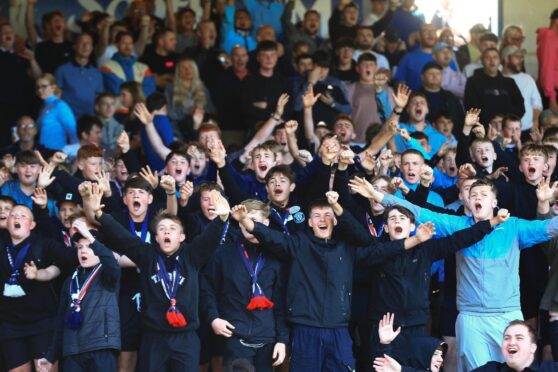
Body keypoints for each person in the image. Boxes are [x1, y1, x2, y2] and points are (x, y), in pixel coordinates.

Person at [355, 178, 558, 371]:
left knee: (518, 368)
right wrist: (379, 196)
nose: (477, 198)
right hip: (471, 317)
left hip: (507, 314)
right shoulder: (458, 224)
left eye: (483, 194)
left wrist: (544, 202)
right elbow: (418, 212)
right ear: (467, 200)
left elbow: (549, 227)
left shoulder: (514, 227)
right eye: (473, 194)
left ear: (494, 202)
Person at [234, 191, 433, 371]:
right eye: (317, 216)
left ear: (336, 221)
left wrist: (414, 241)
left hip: (338, 329)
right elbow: (270, 237)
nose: (323, 219)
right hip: (305, 328)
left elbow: (379, 250)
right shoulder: (298, 243)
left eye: (328, 215)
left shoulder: (347, 249)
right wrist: (246, 221)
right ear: (310, 222)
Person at [83, 183, 231, 371]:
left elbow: (209, 239)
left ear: (182, 237)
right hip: (154, 339)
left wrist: (222, 218)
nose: (167, 231)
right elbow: (122, 237)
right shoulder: (147, 255)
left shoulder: (192, 255)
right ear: (156, 237)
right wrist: (99, 214)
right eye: (162, 229)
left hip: (186, 338)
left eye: (172, 228)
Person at [200, 199, 288, 371]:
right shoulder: (223, 253)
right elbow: (207, 289)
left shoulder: (277, 256)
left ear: (266, 223)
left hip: (267, 339)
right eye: (244, 220)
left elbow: (282, 302)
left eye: (254, 221)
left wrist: (282, 340)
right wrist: (213, 318)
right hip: (235, 336)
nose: (249, 226)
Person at [37, 219, 121, 371]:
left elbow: (111, 261)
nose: (83, 250)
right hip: (72, 350)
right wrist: (51, 356)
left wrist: (90, 235)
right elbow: (60, 320)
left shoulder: (108, 274)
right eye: (80, 247)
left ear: (99, 249)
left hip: (101, 346)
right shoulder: (70, 281)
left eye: (89, 246)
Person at [0, 204, 73, 372]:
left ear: (32, 225)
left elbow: (70, 260)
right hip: (9, 324)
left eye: (23, 216)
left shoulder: (44, 244)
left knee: (45, 370)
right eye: (13, 215)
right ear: (6, 222)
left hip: (42, 322)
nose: (17, 218)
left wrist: (46, 272)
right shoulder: (2, 243)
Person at [0, 24, 42, 149]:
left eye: (10, 32)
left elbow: (38, 77)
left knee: (22, 146)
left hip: (21, 108)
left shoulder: (22, 56)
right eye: (4, 32)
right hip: (2, 110)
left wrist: (32, 60)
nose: (8, 34)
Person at [464, 47, 525, 125]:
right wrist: (493, 120)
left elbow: (520, 107)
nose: (492, 61)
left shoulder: (509, 83)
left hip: (508, 128)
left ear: (499, 61)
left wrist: (506, 121)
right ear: (482, 61)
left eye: (495, 57)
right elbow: (471, 107)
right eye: (488, 57)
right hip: (483, 128)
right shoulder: (472, 82)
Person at [240, 41, 293, 130]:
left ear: (277, 57)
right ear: (258, 58)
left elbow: (289, 108)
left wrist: (267, 105)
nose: (269, 59)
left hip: (279, 128)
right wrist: (276, 109)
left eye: (272, 55)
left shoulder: (284, 82)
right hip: (256, 128)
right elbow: (246, 109)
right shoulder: (248, 81)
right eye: (264, 55)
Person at [345, 53, 394, 144]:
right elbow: (345, 114)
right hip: (356, 140)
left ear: (376, 68)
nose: (368, 67)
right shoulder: (349, 89)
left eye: (371, 64)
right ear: (357, 68)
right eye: (364, 64)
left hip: (381, 141)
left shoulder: (387, 89)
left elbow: (392, 115)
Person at [472, 320, 558, 371]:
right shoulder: (490, 369)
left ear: (533, 348)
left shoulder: (551, 369)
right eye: (507, 338)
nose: (511, 342)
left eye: (519, 338)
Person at [55, 33, 104, 119]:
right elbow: (56, 97)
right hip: (67, 119)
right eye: (82, 43)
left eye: (88, 43)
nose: (85, 46)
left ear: (92, 48)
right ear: (74, 46)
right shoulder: (62, 70)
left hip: (89, 121)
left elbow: (98, 99)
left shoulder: (96, 73)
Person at [395, 23, 455, 91]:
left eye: (433, 31)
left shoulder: (447, 59)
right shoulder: (408, 58)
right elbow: (400, 83)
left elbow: (455, 81)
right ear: (419, 36)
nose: (430, 34)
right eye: (426, 32)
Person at [501, 46, 543, 135]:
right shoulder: (498, 78)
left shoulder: (528, 79)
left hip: (526, 129)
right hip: (503, 130)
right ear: (506, 59)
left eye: (521, 57)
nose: (521, 60)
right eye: (517, 57)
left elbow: (537, 104)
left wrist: (535, 121)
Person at [100, 31, 156, 97]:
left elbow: (150, 91)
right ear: (117, 45)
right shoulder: (106, 67)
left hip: (140, 106)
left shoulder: (144, 68)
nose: (127, 46)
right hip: (118, 106)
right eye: (124, 43)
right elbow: (116, 90)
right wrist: (138, 94)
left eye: (130, 43)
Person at [165, 57, 214, 132]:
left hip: (200, 129)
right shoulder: (170, 88)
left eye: (190, 67)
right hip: (178, 129)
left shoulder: (203, 88)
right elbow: (169, 112)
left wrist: (200, 110)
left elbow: (211, 109)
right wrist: (188, 111)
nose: (187, 70)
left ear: (195, 69)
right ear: (178, 71)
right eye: (183, 67)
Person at [419, 61, 465, 134]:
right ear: (422, 77)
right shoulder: (416, 98)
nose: (435, 76)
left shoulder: (451, 97)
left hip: (451, 141)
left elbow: (460, 121)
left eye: (438, 73)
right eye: (431, 73)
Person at [35, 74, 78, 151]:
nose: (40, 90)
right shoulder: (43, 107)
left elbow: (73, 131)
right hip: (43, 153)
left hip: (57, 153)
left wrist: (74, 154)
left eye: (44, 86)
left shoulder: (61, 106)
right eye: (38, 87)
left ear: (53, 87)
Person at [537, 8, 558, 112]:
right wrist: (552, 97)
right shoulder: (549, 39)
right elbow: (547, 69)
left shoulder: (553, 38)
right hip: (553, 92)